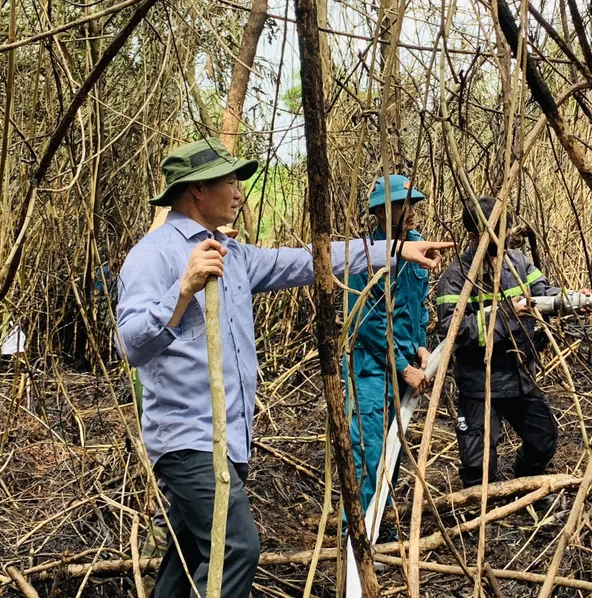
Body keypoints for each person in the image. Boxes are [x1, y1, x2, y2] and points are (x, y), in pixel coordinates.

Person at [115, 138, 451, 597]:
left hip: (230, 441)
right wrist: (185, 288)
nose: (238, 194)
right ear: (196, 191)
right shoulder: (153, 255)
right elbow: (131, 344)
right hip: (189, 440)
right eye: (230, 183)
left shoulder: (235, 256)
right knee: (237, 550)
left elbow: (306, 261)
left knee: (191, 558)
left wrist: (393, 252)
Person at [435, 196, 560, 488]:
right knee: (478, 469)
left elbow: (543, 291)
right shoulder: (456, 278)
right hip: (480, 384)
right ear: (473, 234)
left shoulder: (518, 262)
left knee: (544, 441)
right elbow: (455, 332)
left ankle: (523, 487)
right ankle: (478, 516)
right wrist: (505, 315)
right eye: (493, 232)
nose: (501, 238)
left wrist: (570, 300)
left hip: (521, 377)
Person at [343, 175, 431, 537]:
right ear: (381, 213)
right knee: (369, 453)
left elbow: (417, 306)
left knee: (393, 451)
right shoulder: (365, 254)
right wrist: (402, 366)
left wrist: (422, 344)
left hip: (404, 367)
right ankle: (358, 539)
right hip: (369, 370)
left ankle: (384, 530)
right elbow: (367, 321)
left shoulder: (416, 246)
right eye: (401, 206)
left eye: (412, 204)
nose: (410, 212)